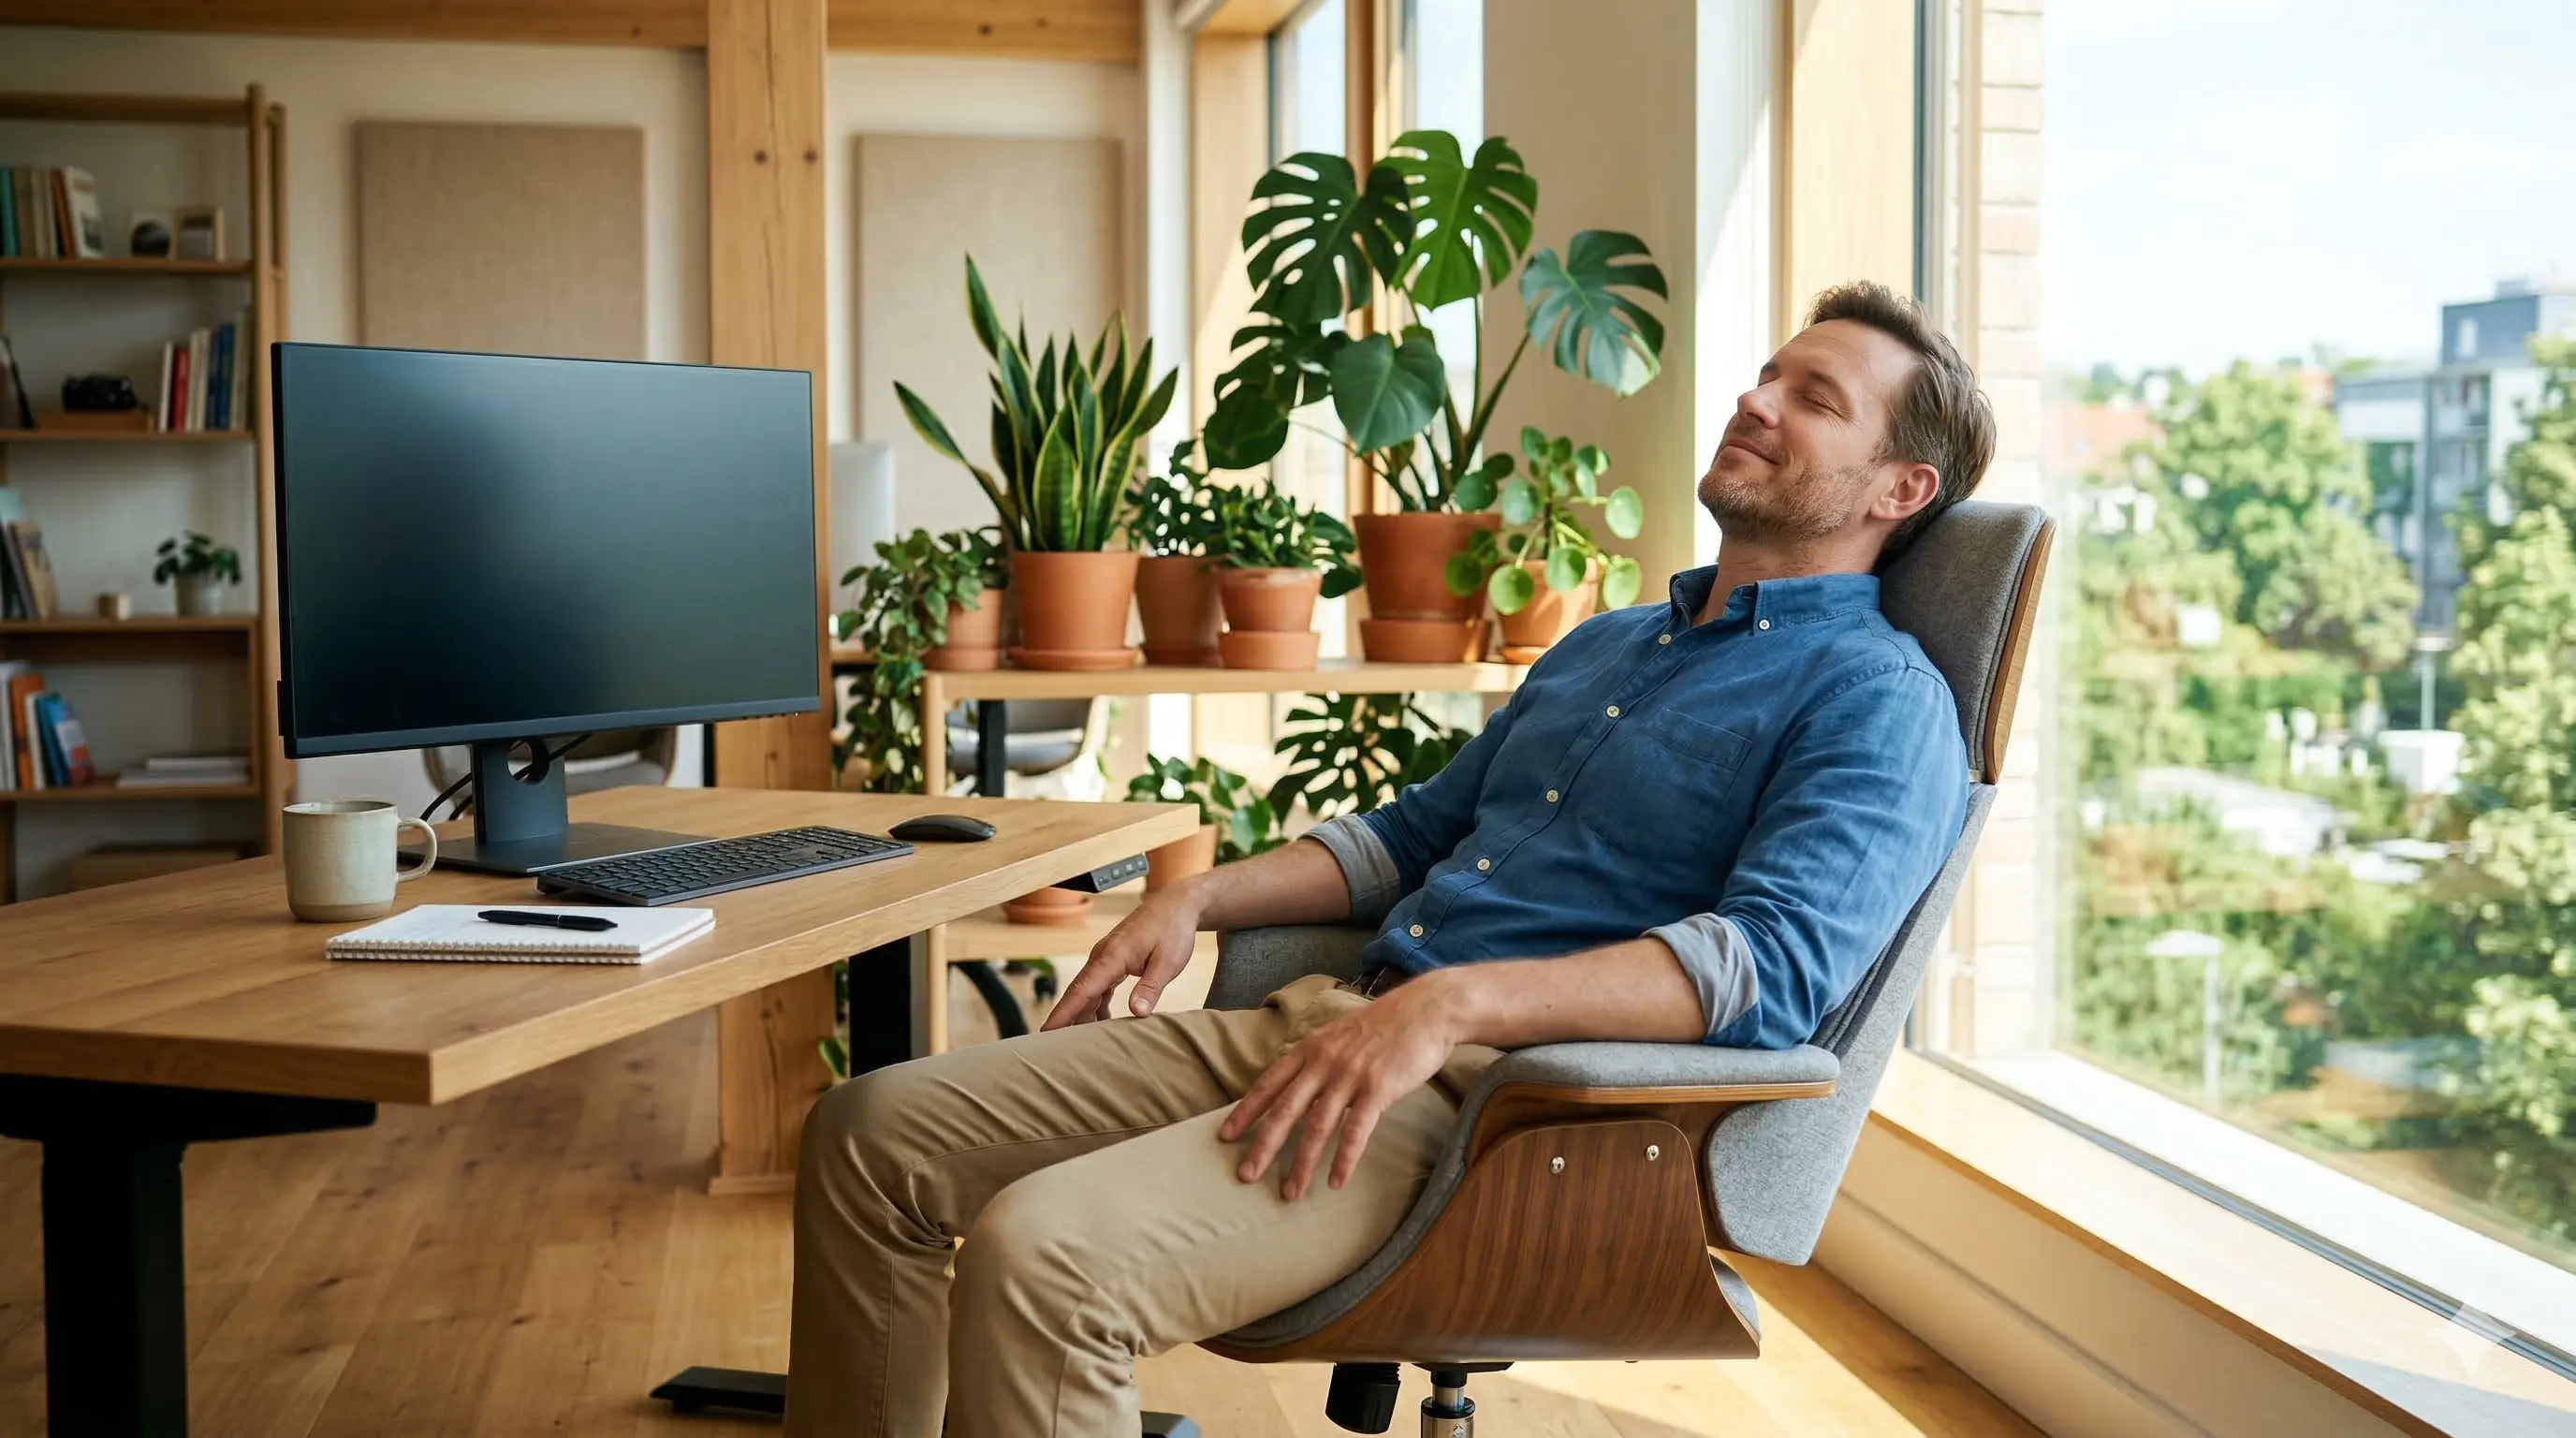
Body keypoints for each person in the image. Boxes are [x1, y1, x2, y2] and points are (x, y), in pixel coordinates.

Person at [784, 280, 1998, 1438]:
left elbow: (1769, 974)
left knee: (1044, 1263)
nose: (1758, 400)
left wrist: (1455, 1005)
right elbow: (1412, 837)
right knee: (868, 1136)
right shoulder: (1608, 644)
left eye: (1815, 399)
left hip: (1509, 1117)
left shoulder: (1873, 700)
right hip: (1335, 1021)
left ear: (1901, 486)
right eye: (1768, 375)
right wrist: (1195, 898)